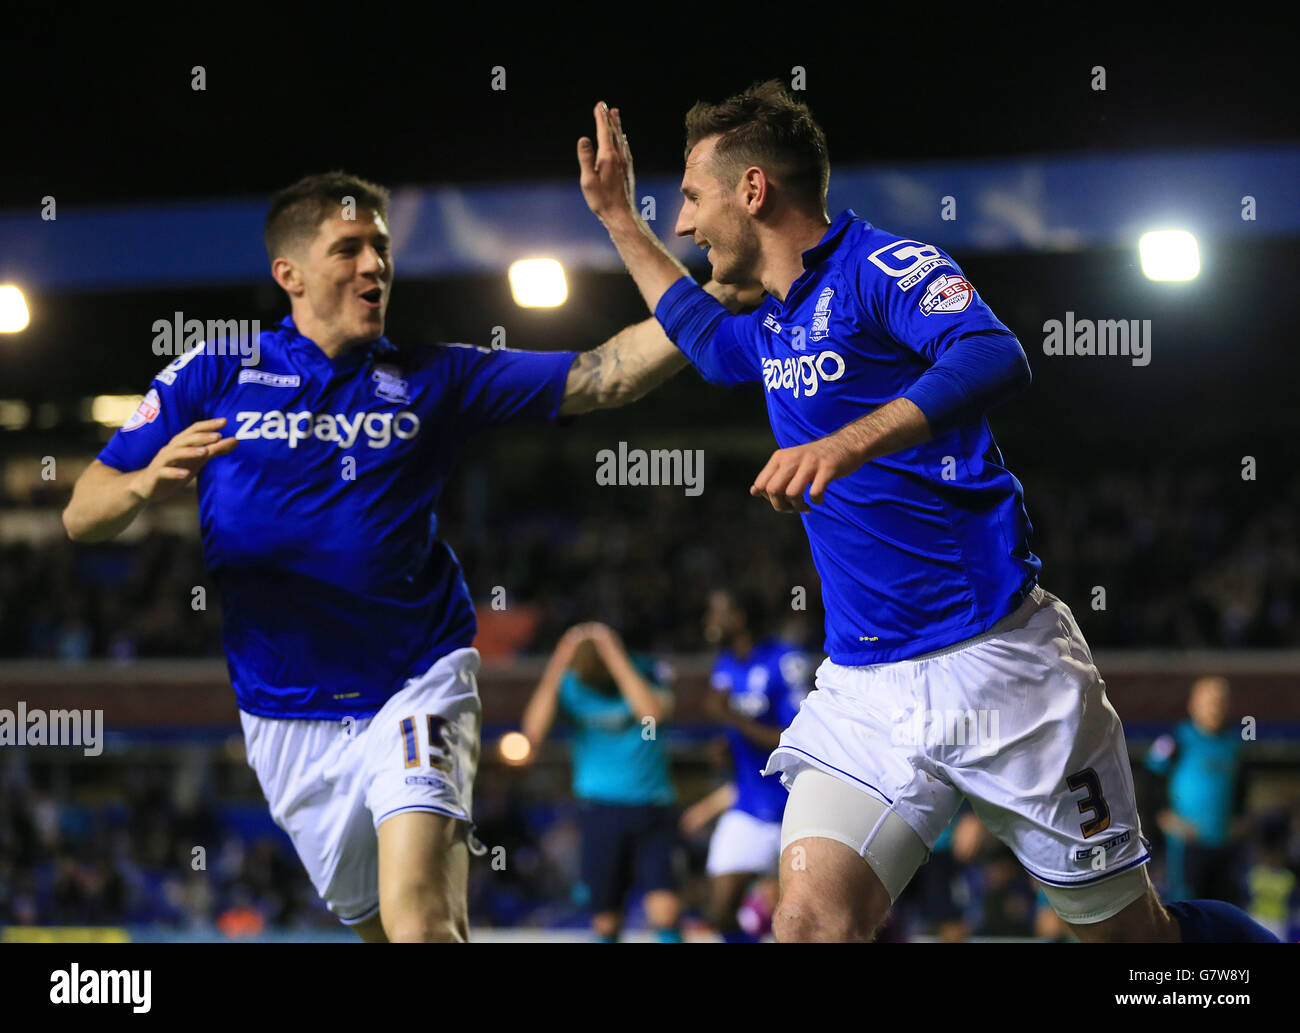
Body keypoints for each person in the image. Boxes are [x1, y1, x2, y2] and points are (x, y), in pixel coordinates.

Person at [575, 82, 1278, 943]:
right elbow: (707, 342)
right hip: (865, 687)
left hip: (998, 667)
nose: (683, 224)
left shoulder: (882, 266)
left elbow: (993, 351)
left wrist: (849, 443)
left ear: (753, 191)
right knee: (804, 925)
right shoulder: (775, 322)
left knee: (1133, 945)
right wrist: (618, 219)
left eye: (689, 198)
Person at [62, 171, 756, 942]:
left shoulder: (436, 375)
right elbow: (81, 510)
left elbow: (605, 374)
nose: (374, 267)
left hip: (416, 680)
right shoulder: (215, 371)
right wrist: (144, 484)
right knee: (385, 932)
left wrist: (714, 295)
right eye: (349, 249)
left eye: (381, 249)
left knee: (421, 924)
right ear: (288, 273)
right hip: (285, 717)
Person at [521, 622, 682, 942]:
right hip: (599, 809)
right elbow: (533, 734)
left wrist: (613, 655)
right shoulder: (571, 683)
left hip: (651, 805)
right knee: (605, 922)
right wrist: (558, 663)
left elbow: (652, 714)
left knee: (665, 912)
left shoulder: (647, 673)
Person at [686, 588, 809, 941]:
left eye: (715, 612)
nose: (708, 621)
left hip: (794, 809)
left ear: (738, 618)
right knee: (720, 910)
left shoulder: (786, 661)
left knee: (807, 918)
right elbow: (742, 727)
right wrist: (727, 743)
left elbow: (795, 739)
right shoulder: (723, 666)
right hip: (749, 806)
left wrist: (732, 719)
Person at [1146, 675, 1244, 903]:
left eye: (1220, 702)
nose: (1215, 708)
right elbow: (1149, 779)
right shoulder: (1176, 739)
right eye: (1209, 701)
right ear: (1193, 704)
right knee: (1188, 908)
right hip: (1186, 847)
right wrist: (1162, 817)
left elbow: (1241, 785)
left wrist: (1240, 818)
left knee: (1224, 911)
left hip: (1224, 846)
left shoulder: (1233, 744)